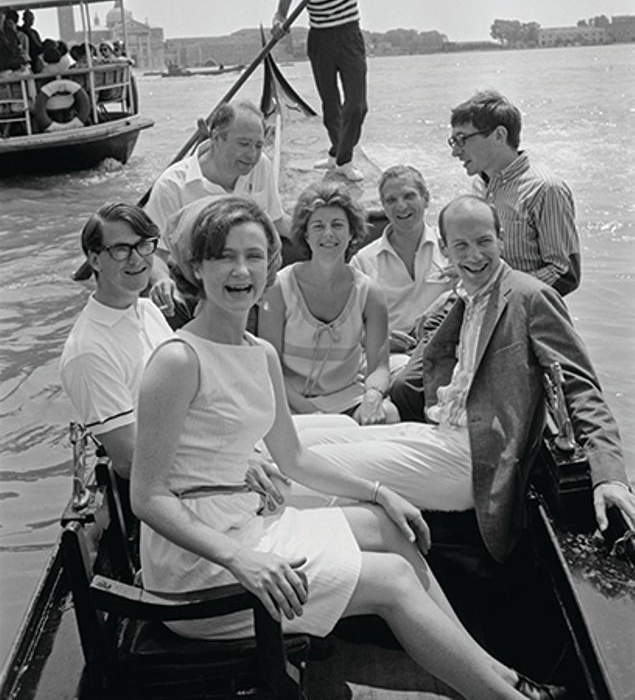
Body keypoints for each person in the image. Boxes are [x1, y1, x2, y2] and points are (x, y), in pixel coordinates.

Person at [130, 195, 562, 700]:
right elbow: (148, 496)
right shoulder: (178, 360)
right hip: (202, 570)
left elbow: (295, 460)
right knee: (393, 580)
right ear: (195, 267)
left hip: (245, 524)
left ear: (272, 265)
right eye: (224, 256)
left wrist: (379, 492)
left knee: (385, 524)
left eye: (254, 255)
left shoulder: (260, 353)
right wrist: (237, 559)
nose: (241, 270)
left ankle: (489, 672)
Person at [272, 195, 635, 566]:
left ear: (501, 239)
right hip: (441, 432)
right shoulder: (465, 297)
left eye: (484, 242)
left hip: (474, 461)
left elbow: (581, 387)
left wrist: (610, 476)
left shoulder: (532, 297)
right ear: (444, 249)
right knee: (300, 439)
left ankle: (283, 556)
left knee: (299, 473)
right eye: (461, 245)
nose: (474, 255)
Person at [259, 181, 399, 424]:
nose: (328, 234)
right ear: (305, 234)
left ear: (351, 233)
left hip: (347, 398)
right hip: (290, 401)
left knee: (390, 415)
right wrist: (314, 414)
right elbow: (271, 369)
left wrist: (373, 396)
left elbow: (379, 367)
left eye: (337, 225)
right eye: (318, 226)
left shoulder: (370, 292)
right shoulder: (278, 288)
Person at [145, 101, 290, 317]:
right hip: (196, 283)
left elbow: (277, 222)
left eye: (258, 146)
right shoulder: (172, 186)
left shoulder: (262, 166)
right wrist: (162, 280)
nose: (252, 155)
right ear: (216, 139)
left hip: (248, 272)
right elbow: (156, 252)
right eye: (244, 144)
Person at [59, 202, 172, 479]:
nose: (137, 259)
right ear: (95, 260)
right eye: (121, 250)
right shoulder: (88, 352)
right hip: (179, 485)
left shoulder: (147, 310)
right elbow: (130, 461)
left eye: (144, 245)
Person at [272, 0, 380, 182]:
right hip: (320, 40)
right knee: (331, 106)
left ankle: (341, 158)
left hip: (349, 35)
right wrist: (278, 23)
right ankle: (338, 155)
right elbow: (281, 11)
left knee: (357, 106)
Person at [449, 89, 580, 295]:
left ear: (499, 135)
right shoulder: (478, 187)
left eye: (462, 139)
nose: (455, 151)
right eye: (453, 141)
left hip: (529, 319)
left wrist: (497, 288)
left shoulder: (545, 189)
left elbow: (564, 274)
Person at [351, 165, 456, 362]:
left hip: (443, 347)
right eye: (391, 200)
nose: (401, 206)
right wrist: (377, 338)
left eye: (409, 196)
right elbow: (347, 325)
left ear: (426, 199)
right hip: (392, 356)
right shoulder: (363, 261)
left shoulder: (451, 247)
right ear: (383, 206)